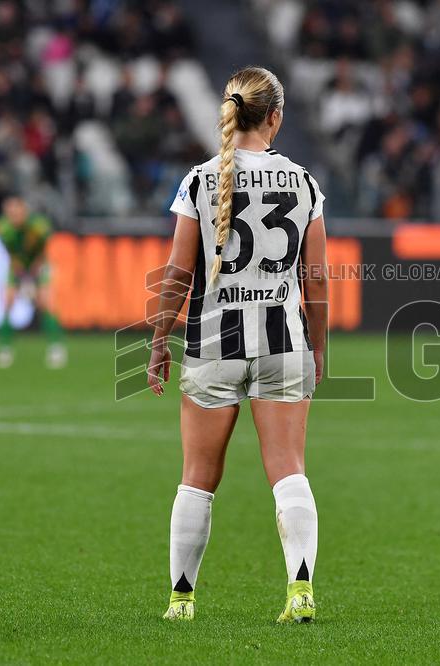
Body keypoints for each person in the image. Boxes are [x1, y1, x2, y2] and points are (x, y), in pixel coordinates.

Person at [147, 67, 328, 623]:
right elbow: (316, 279)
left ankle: (181, 598)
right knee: (289, 469)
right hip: (283, 342)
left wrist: (157, 341)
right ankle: (300, 590)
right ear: (274, 116)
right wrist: (318, 348)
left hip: (211, 342)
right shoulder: (303, 184)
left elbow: (178, 272)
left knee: (197, 477)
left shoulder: (199, 180)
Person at [0, 196, 66, 368]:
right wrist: (21, 274)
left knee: (46, 303)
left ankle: (56, 347)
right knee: (7, 302)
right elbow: (10, 253)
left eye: (15, 212)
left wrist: (32, 276)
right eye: (9, 212)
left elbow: (42, 253)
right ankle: (4, 348)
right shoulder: (2, 228)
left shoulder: (38, 226)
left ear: (24, 211)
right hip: (17, 266)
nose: (12, 216)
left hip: (38, 266)